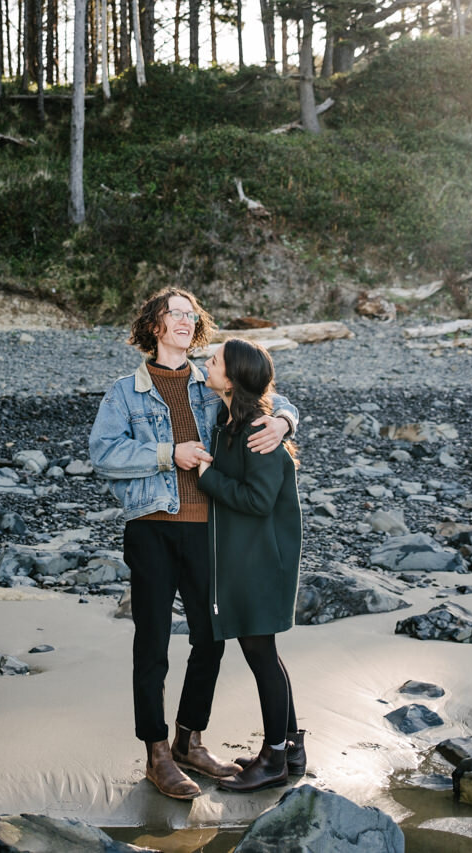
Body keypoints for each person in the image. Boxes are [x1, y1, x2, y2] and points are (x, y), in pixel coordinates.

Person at [89, 289, 299, 800]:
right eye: (174, 313)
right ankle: (157, 753)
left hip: (211, 531)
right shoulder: (125, 391)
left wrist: (284, 420)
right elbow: (103, 453)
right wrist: (168, 453)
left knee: (211, 638)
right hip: (153, 526)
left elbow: (268, 390)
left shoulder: (211, 381)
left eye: (191, 314)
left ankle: (189, 738)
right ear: (155, 325)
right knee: (153, 642)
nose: (185, 320)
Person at [196, 338, 304, 793]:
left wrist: (207, 477)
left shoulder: (259, 431)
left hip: (264, 563)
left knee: (262, 656)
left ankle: (275, 758)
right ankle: (291, 749)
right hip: (249, 559)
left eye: (215, 360)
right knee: (264, 655)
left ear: (233, 377)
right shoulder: (230, 422)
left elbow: (258, 501)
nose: (207, 362)